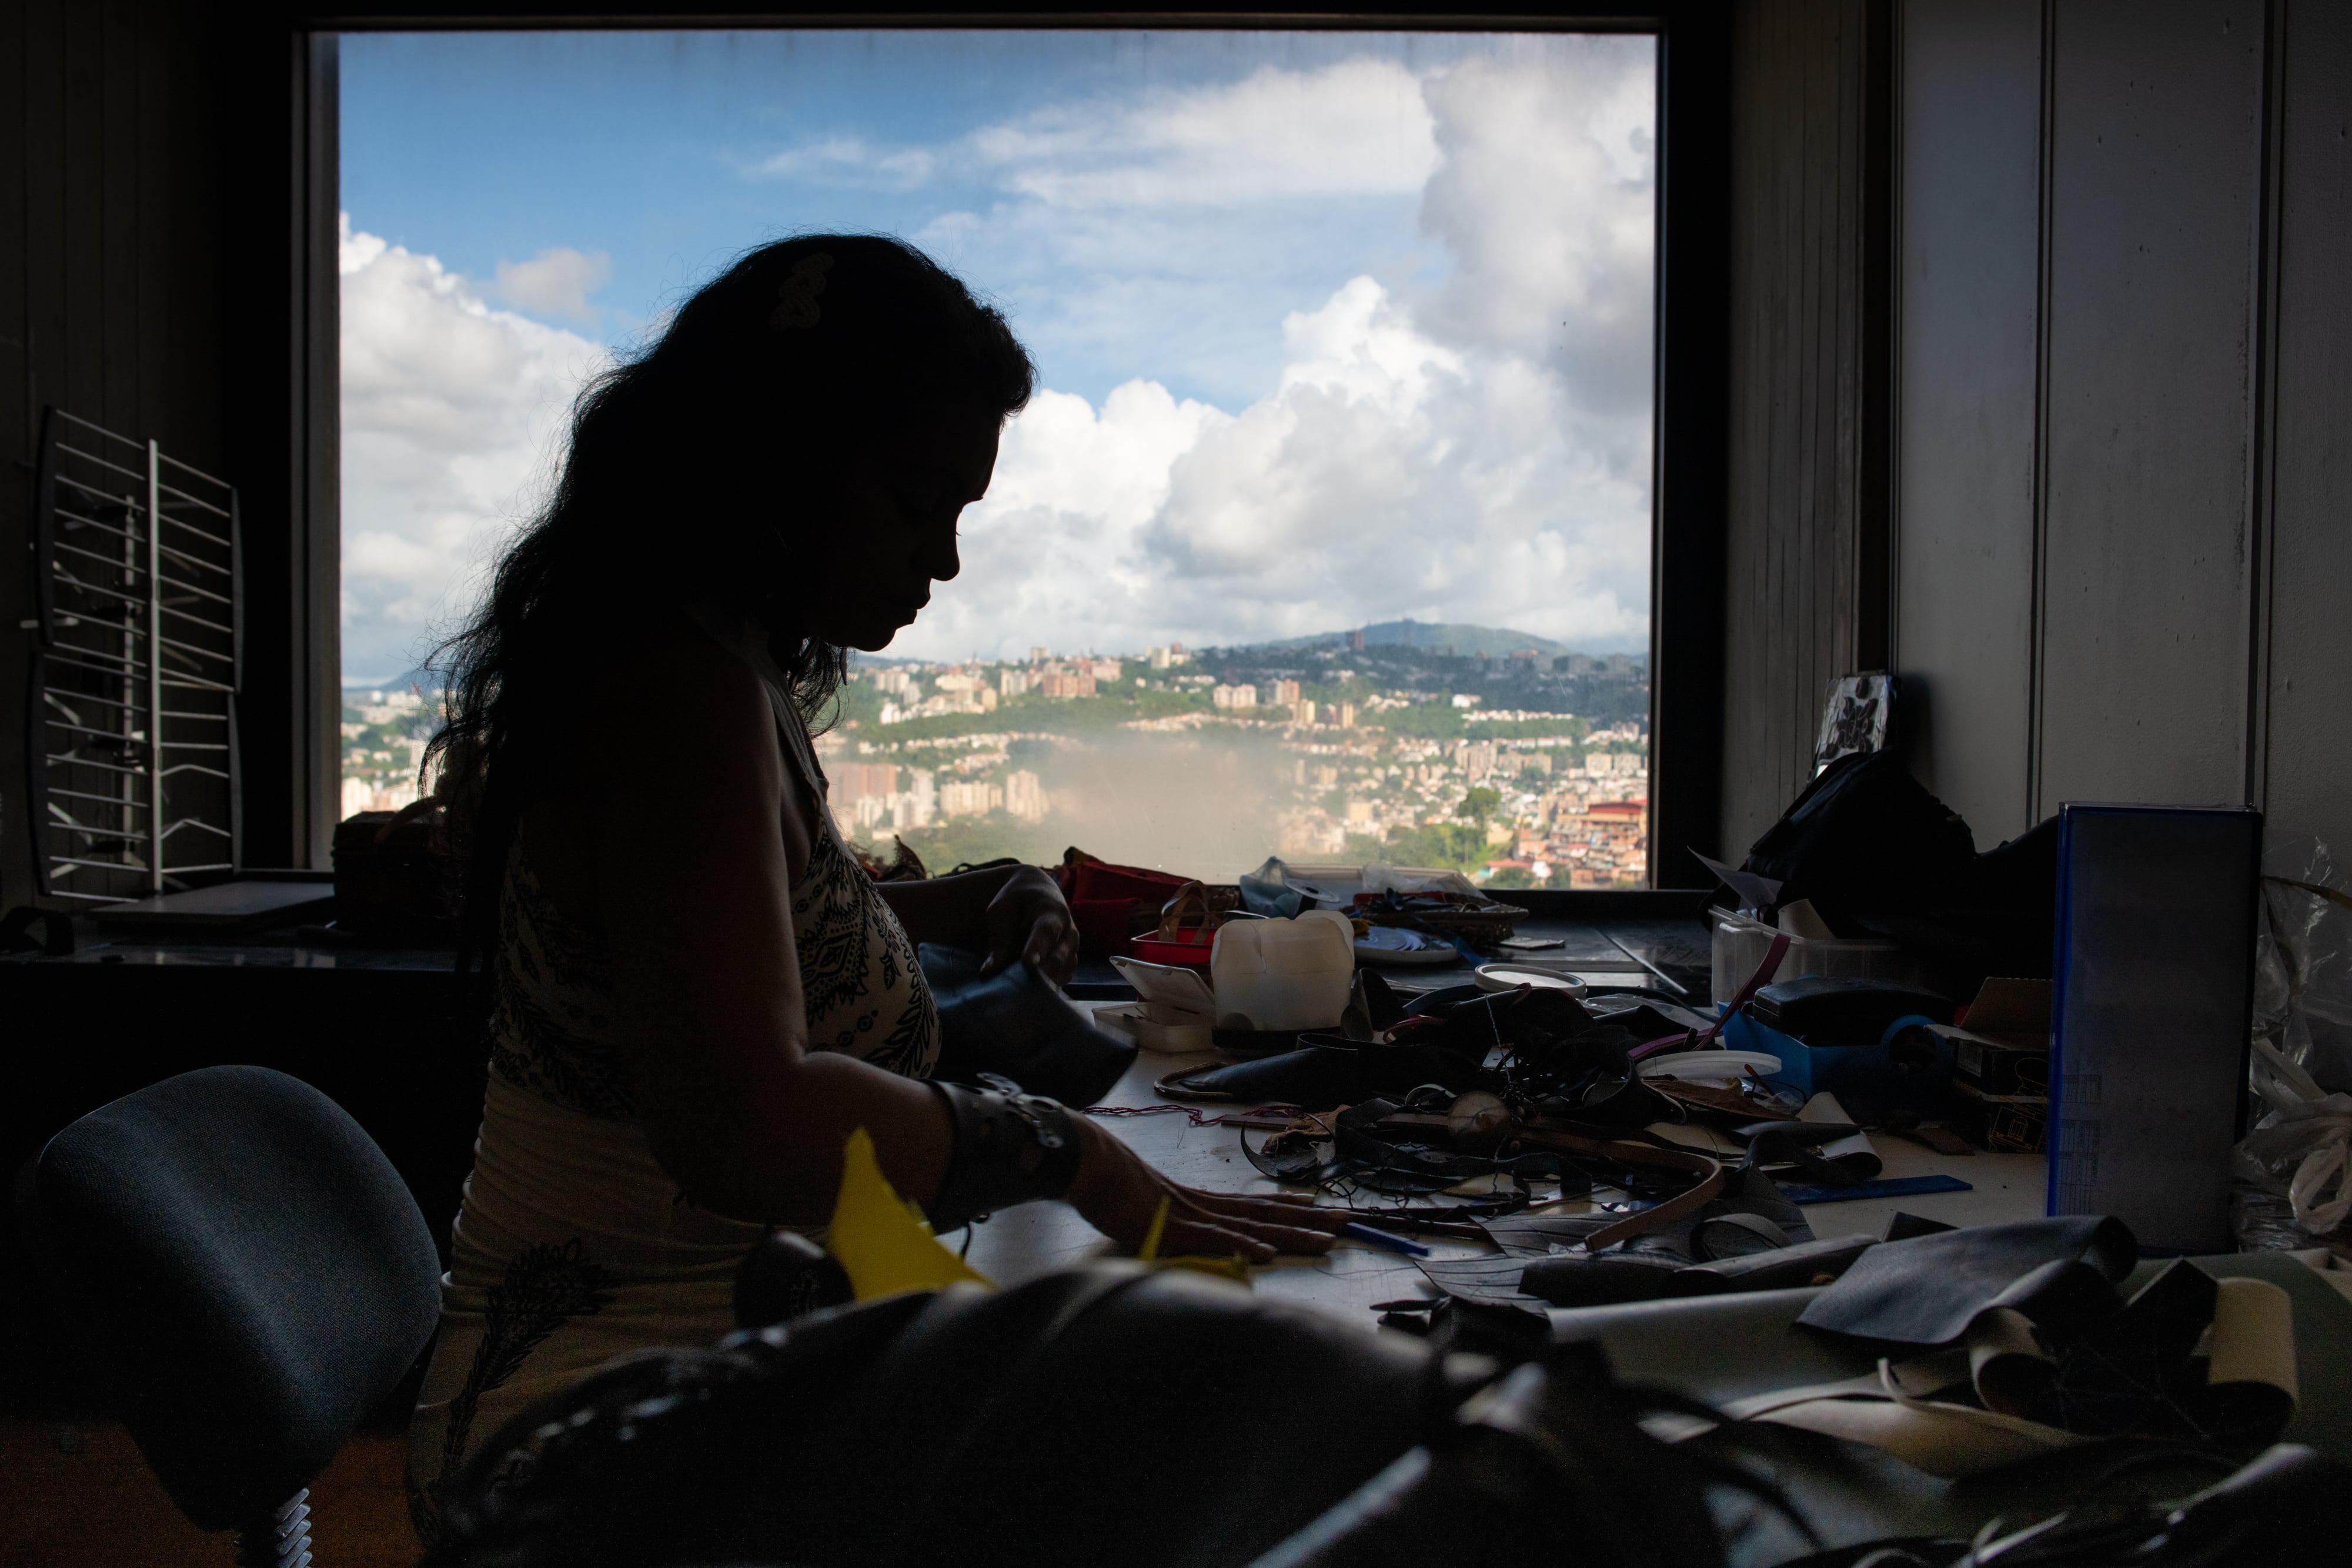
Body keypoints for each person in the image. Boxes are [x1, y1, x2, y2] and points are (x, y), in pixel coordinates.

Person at [403, 236, 1342, 1539]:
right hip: (600, 1442)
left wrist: (972, 895)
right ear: (780, 462)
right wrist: (1065, 1152)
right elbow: (741, 1116)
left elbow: (722, 934)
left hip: (712, 1370)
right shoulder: (674, 693)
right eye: (917, 503)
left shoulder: (706, 661)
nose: (944, 561)